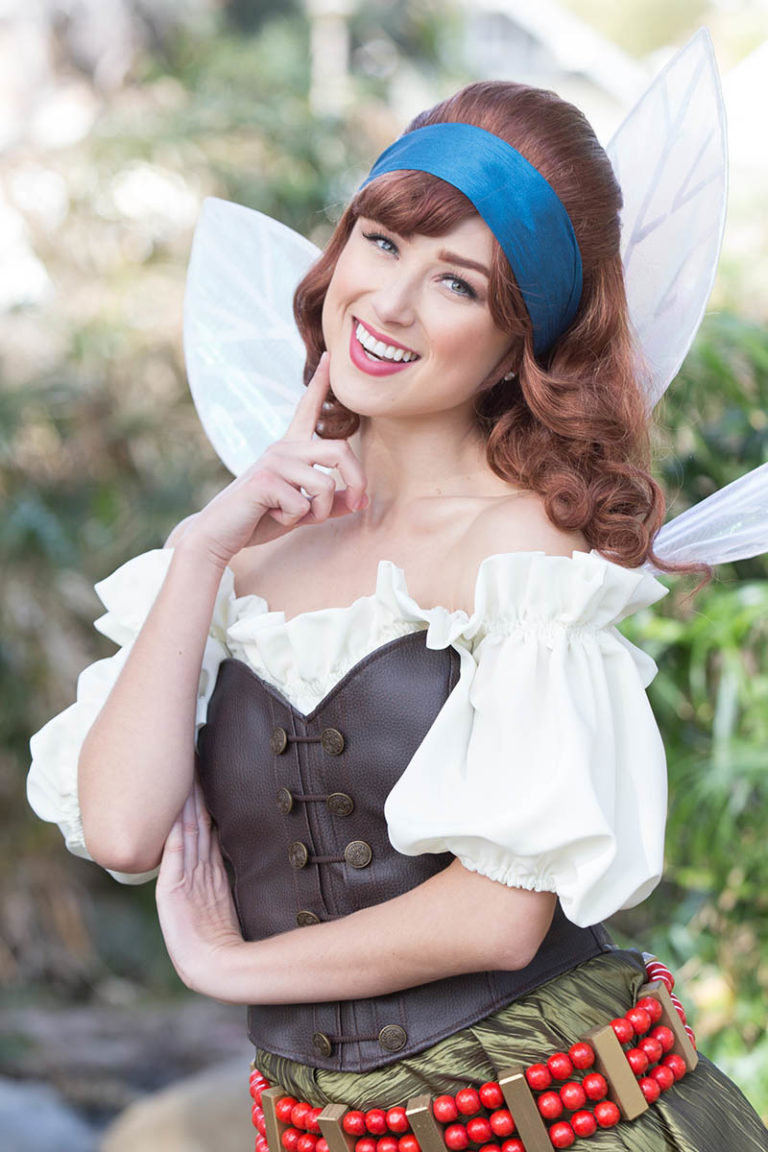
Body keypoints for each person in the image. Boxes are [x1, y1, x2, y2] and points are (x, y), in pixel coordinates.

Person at [28, 78, 768, 1151]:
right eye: (381, 243)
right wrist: (200, 552)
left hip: (562, 1122)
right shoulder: (243, 548)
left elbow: (497, 917)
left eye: (457, 282)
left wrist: (229, 967)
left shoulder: (527, 558)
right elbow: (125, 829)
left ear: (517, 343)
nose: (390, 304)